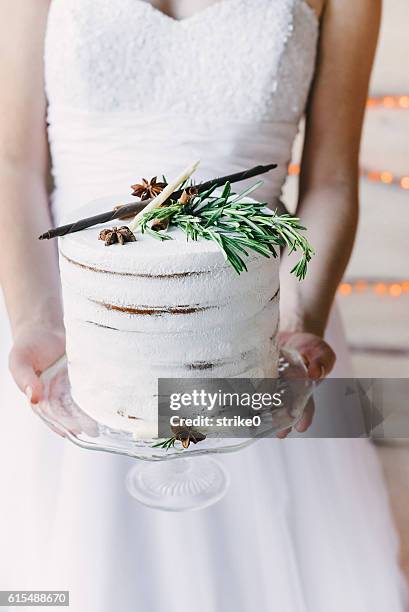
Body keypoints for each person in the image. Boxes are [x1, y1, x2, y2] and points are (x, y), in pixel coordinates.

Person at [0, 0, 407, 610]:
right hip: (72, 314)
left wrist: (300, 323)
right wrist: (35, 320)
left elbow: (331, 181)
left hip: (257, 321)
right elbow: (13, 162)